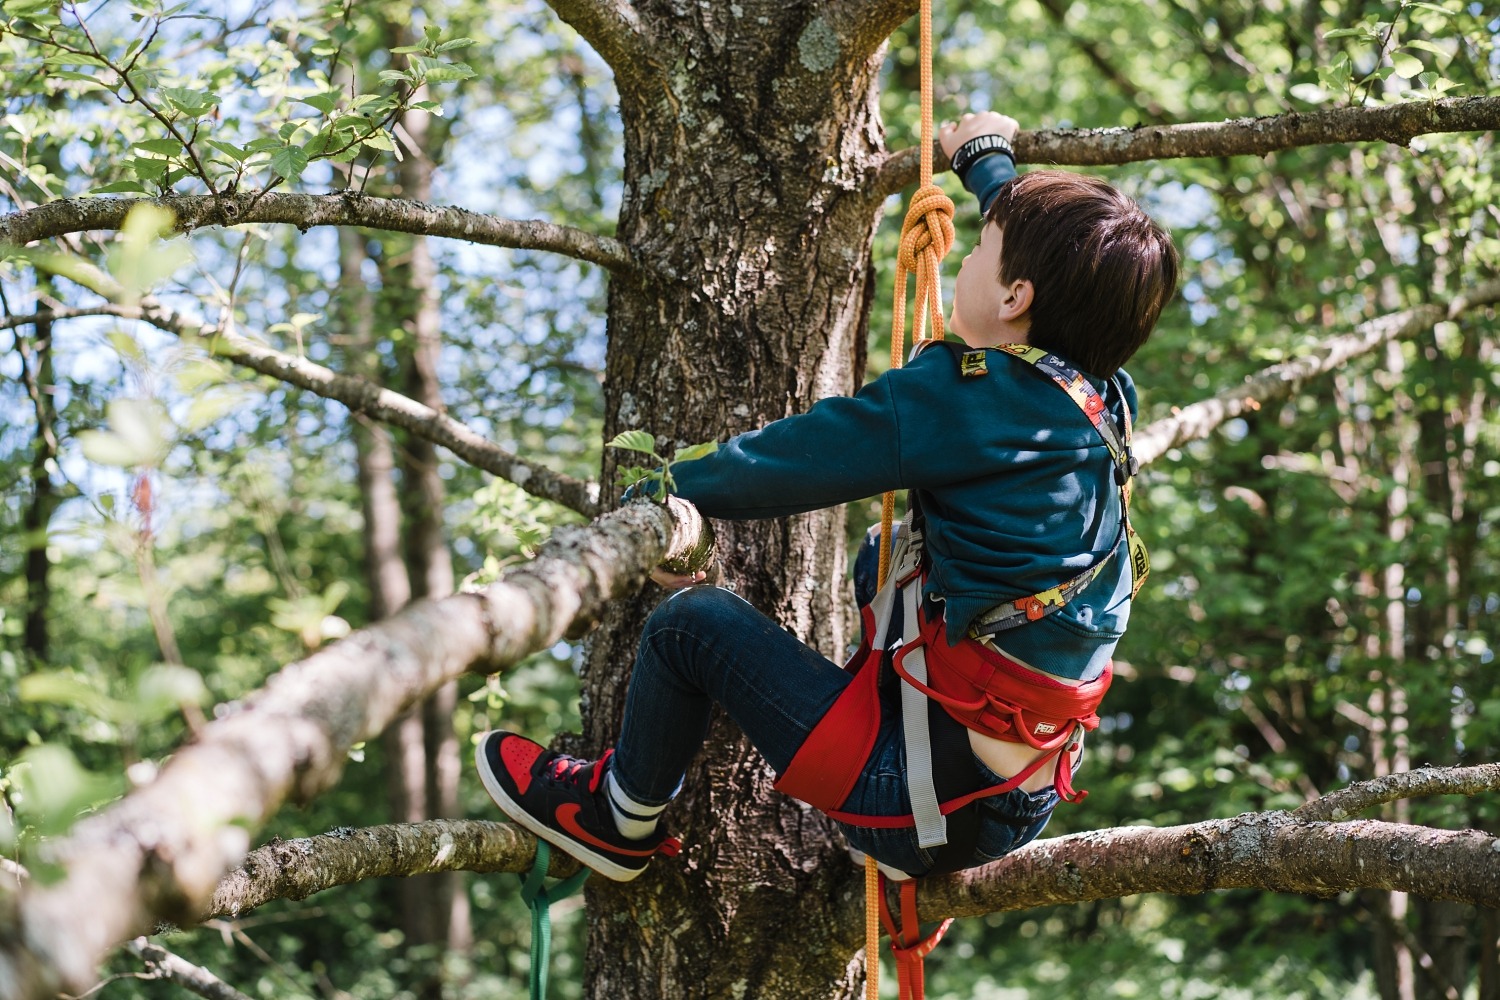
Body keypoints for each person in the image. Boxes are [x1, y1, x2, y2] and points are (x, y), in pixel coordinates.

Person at [474, 112, 1180, 881]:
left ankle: (615, 819)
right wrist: (985, 166)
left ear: (1014, 297)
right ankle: (897, 773)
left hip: (922, 805)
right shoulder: (1103, 397)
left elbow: (788, 461)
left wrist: (666, 492)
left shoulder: (965, 398)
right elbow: (1040, 255)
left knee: (688, 625)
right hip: (1014, 794)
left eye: (979, 248)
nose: (967, 254)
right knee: (886, 554)